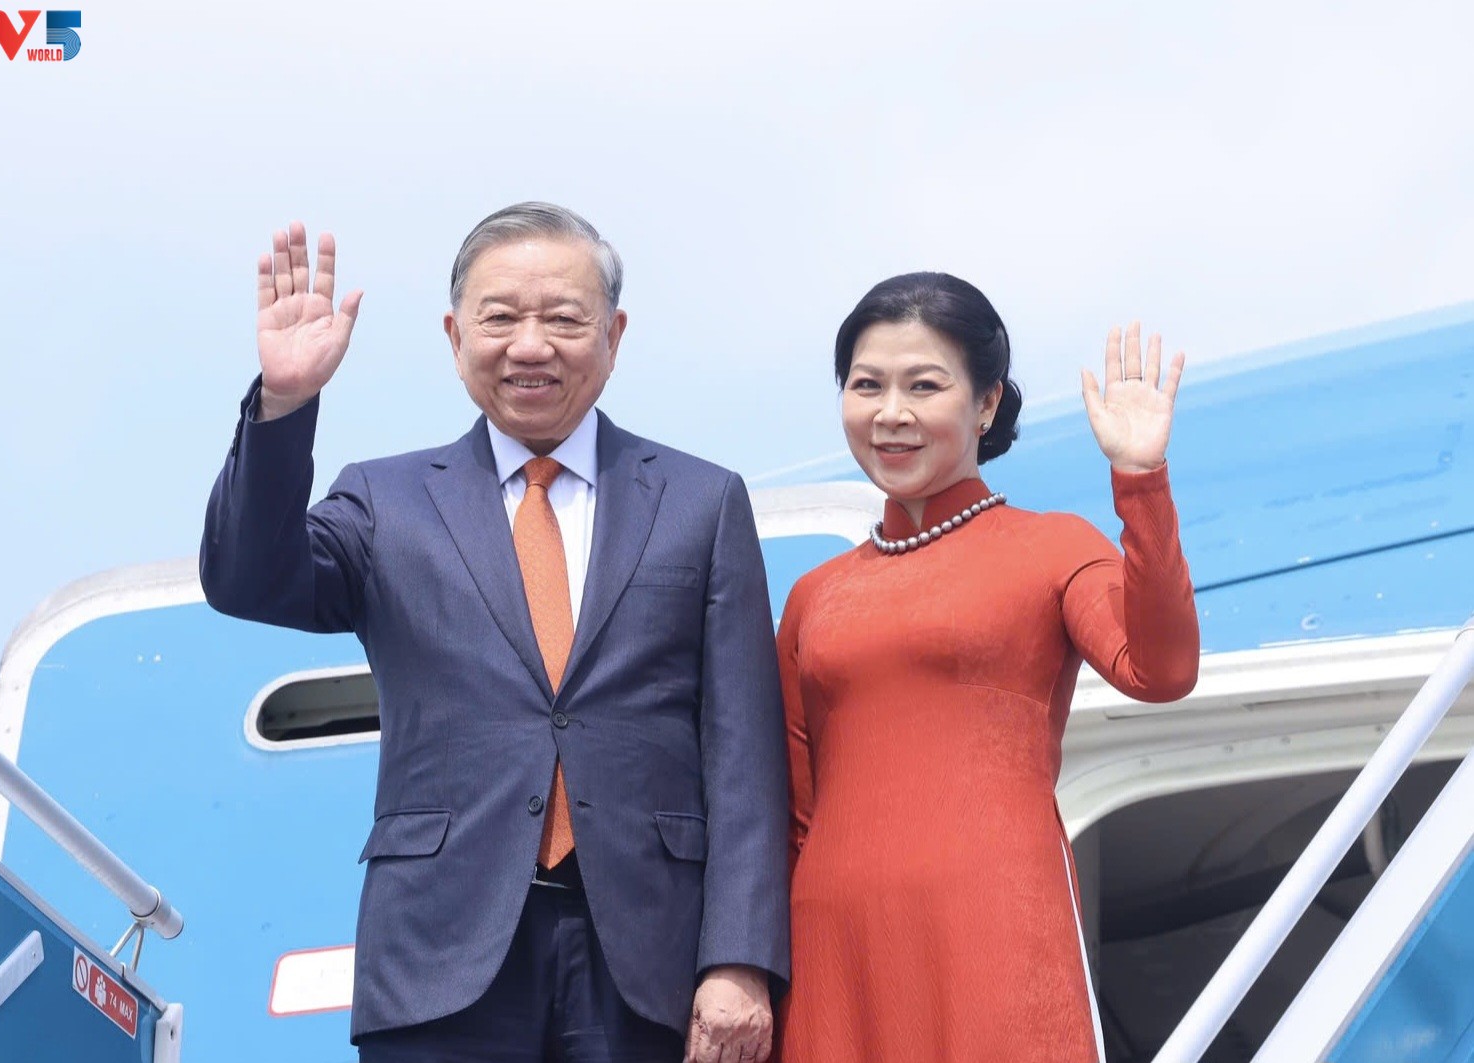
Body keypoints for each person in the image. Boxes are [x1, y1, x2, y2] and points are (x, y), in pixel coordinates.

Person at [200, 203, 789, 1063]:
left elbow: (745, 753)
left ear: (614, 336)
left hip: (648, 960)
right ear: (455, 336)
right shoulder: (386, 501)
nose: (530, 345)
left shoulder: (701, 501)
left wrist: (738, 959)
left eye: (564, 319)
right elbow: (248, 577)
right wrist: (286, 401)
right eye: (501, 318)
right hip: (438, 955)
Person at [774, 272, 1200, 1061]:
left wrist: (1141, 480)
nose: (891, 412)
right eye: (866, 385)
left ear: (986, 403)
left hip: (992, 924)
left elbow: (1160, 669)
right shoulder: (813, 595)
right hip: (836, 945)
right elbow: (795, 816)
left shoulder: (1052, 546)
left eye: (924, 385)